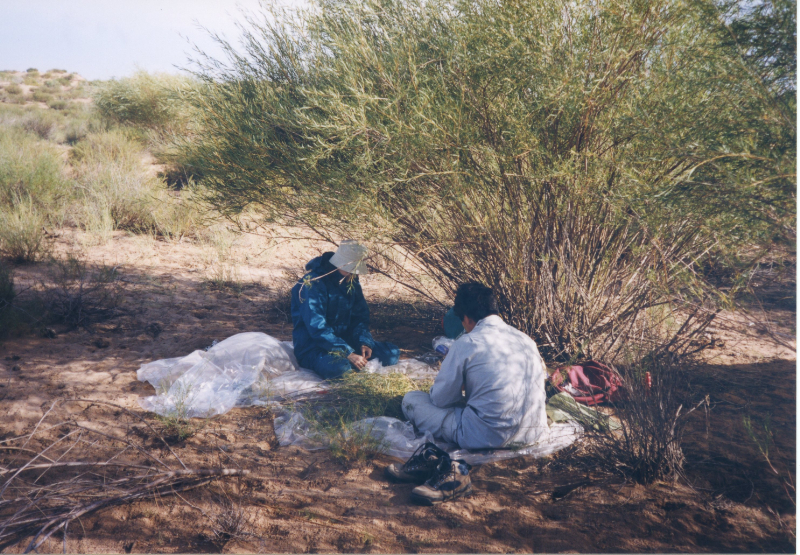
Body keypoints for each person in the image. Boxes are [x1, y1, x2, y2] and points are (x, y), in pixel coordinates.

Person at [401, 282, 548, 450]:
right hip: (533, 433)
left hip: (486, 437)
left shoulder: (467, 343)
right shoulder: (526, 340)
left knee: (411, 400)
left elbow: (440, 399)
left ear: (467, 318)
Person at [290, 240, 400, 379]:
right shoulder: (312, 283)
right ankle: (349, 363)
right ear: (342, 262)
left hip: (346, 341)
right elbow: (317, 328)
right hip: (314, 347)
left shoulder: (350, 279)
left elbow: (360, 317)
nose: (353, 272)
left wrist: (364, 342)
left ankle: (355, 360)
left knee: (392, 354)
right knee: (341, 369)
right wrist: (347, 352)